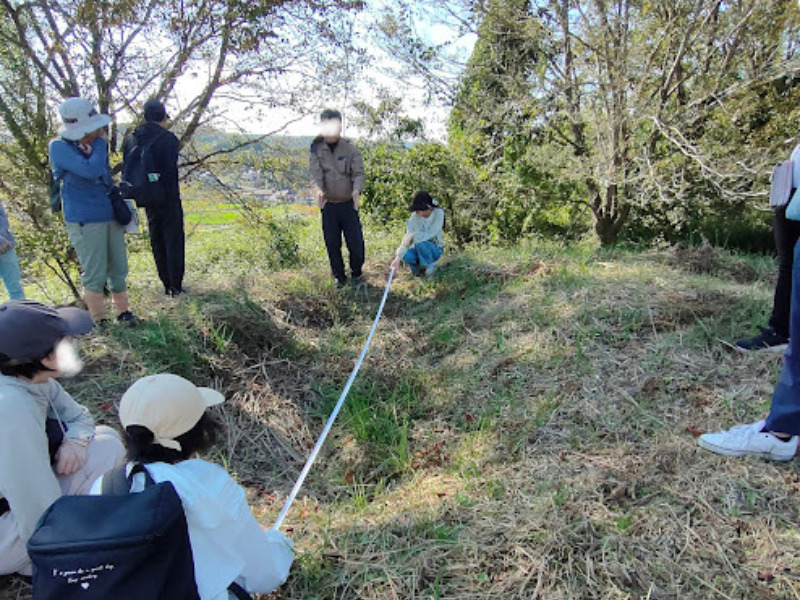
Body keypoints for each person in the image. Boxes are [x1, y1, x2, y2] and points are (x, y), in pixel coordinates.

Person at [92, 373, 294, 599]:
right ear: (196, 432)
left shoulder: (104, 486)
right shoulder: (208, 483)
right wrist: (281, 543)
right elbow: (263, 575)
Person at [0, 300, 126, 576]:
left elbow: (79, 416)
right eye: (66, 342)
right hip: (8, 520)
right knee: (107, 450)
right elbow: (31, 497)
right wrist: (55, 557)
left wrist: (76, 441)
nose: (73, 345)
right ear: (46, 358)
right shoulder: (11, 406)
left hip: (19, 496)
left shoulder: (33, 378)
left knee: (106, 441)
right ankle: (34, 559)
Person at [49, 97, 138, 326]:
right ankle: (99, 320)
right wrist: (100, 145)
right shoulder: (59, 147)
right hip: (84, 219)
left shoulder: (90, 145)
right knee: (94, 271)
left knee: (119, 267)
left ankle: (124, 313)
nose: (98, 131)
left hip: (109, 213)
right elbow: (91, 170)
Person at [734, 144, 800, 350]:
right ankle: (781, 331)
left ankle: (780, 331)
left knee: (790, 267)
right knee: (788, 267)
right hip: (790, 191)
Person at [123, 98, 185, 297]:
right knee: (173, 240)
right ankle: (176, 285)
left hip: (144, 195)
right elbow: (170, 173)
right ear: (163, 116)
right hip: (167, 196)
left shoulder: (132, 138)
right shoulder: (168, 139)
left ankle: (165, 283)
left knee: (156, 239)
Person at [309, 108, 366, 289]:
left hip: (348, 204)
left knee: (355, 244)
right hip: (329, 206)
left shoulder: (350, 149)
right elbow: (315, 174)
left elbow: (358, 174)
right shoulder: (316, 149)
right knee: (332, 244)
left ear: (340, 127)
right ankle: (339, 278)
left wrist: (356, 191)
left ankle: (357, 275)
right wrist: (319, 191)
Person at [390, 191, 445, 277]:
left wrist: (414, 237)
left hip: (434, 248)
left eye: (421, 210)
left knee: (421, 244)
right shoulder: (414, 218)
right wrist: (397, 258)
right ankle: (417, 271)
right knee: (407, 255)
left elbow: (432, 232)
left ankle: (430, 265)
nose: (419, 213)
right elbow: (407, 239)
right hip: (417, 248)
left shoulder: (439, 213)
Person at [0, 200, 25, 300]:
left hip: (6, 247)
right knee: (15, 289)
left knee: (15, 289)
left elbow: (3, 220)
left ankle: (20, 309)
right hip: (5, 244)